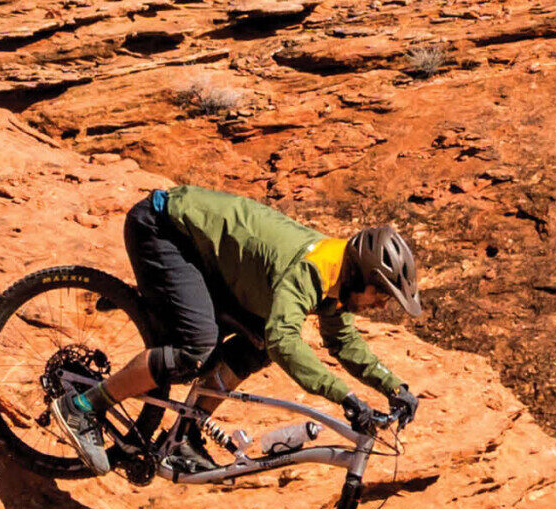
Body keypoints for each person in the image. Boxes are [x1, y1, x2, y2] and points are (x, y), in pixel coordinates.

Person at [53, 185, 422, 474]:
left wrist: (394, 387)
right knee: (195, 350)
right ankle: (83, 406)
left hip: (212, 265)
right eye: (381, 294)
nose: (380, 304)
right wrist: (346, 398)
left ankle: (184, 435)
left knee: (255, 343)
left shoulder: (336, 280)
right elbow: (286, 342)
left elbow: (342, 341)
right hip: (163, 229)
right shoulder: (311, 269)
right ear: (362, 274)